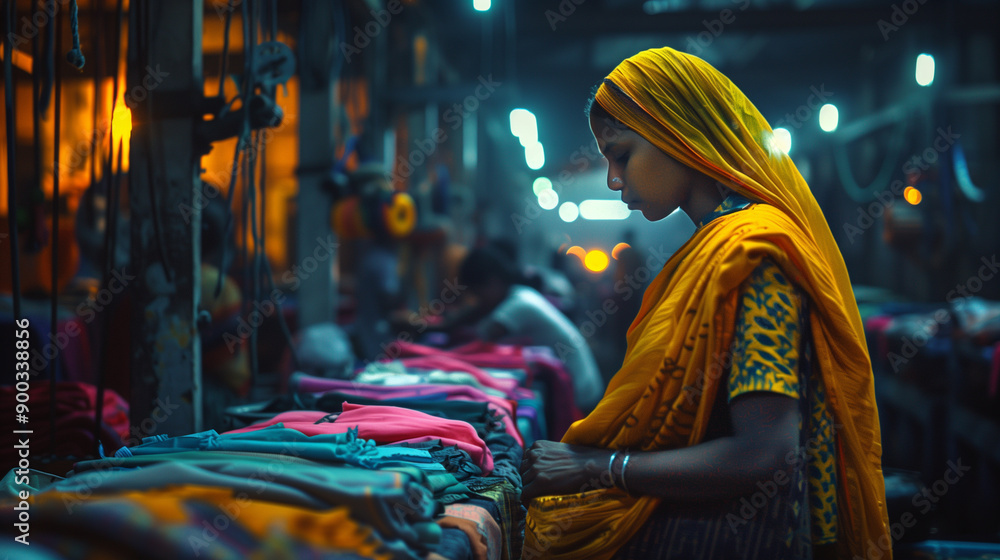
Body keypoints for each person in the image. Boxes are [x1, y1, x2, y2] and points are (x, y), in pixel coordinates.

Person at [520, 47, 890, 560]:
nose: (612, 179)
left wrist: (597, 466)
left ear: (679, 134)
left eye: (622, 154)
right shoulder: (709, 250)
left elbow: (764, 452)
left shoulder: (754, 255)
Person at [452, 245, 604, 413]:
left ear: (493, 282)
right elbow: (477, 313)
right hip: (580, 383)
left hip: (580, 393)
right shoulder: (520, 294)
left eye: (477, 293)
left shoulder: (520, 304)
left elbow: (478, 339)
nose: (478, 300)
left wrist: (442, 330)